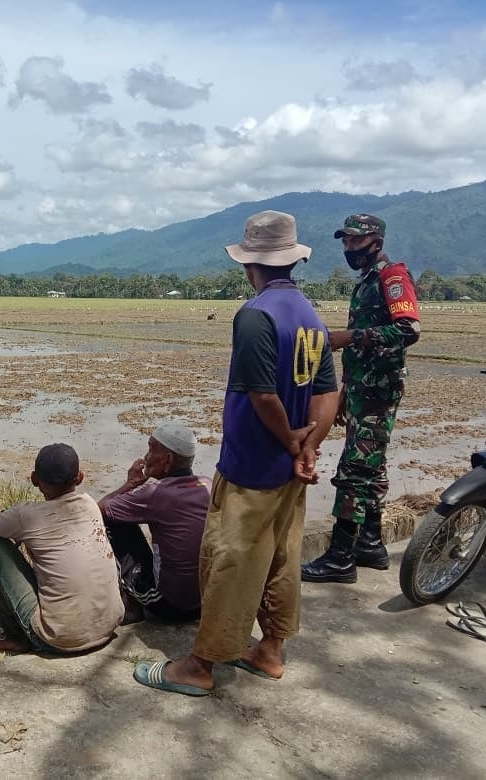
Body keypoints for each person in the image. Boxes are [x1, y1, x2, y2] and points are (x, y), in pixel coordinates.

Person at [133, 210, 339, 696]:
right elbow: (329, 392)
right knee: (282, 557)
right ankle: (269, 650)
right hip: (290, 471)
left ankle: (200, 666)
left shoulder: (254, 315)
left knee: (230, 560)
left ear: (250, 264)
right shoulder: (310, 316)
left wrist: (291, 440)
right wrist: (309, 446)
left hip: (252, 466)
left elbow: (262, 395)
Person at [301, 214, 421, 584]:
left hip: (378, 394)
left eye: (356, 242)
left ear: (377, 243)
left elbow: (408, 329)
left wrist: (350, 337)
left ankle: (340, 557)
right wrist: (344, 393)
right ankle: (370, 543)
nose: (348, 249)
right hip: (361, 391)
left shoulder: (392, 277)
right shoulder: (367, 281)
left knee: (354, 470)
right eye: (346, 242)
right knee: (372, 467)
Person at [0, 443, 123, 654]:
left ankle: (15, 637)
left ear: (35, 480)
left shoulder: (26, 516)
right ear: (80, 477)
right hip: (108, 627)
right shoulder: (90, 504)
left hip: (59, 639)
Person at [97, 422, 209, 623]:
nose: (146, 457)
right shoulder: (207, 484)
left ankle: (131, 604)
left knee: (112, 519)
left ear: (168, 460)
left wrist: (129, 484)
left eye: (151, 449)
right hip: (206, 601)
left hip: (172, 605)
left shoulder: (155, 493)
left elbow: (99, 510)